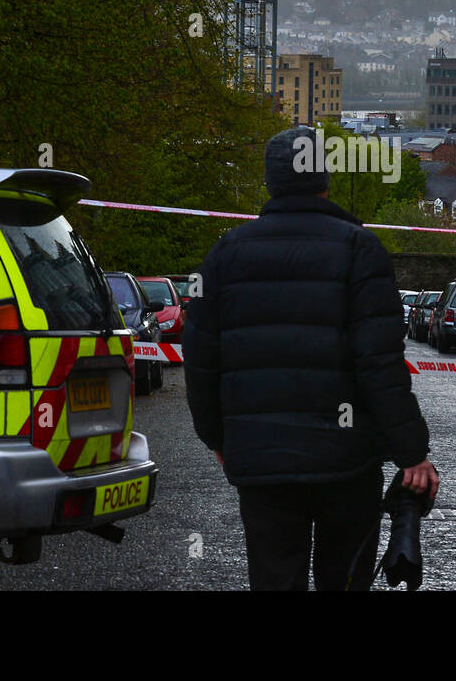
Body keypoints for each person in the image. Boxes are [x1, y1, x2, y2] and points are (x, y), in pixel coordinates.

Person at [183, 125, 439, 591]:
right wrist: (412, 453)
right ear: (325, 179)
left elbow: (201, 361)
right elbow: (380, 362)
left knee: (274, 577)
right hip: (347, 460)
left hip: (261, 459)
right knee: (343, 579)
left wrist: (217, 437)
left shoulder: (224, 256)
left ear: (270, 182)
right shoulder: (360, 249)